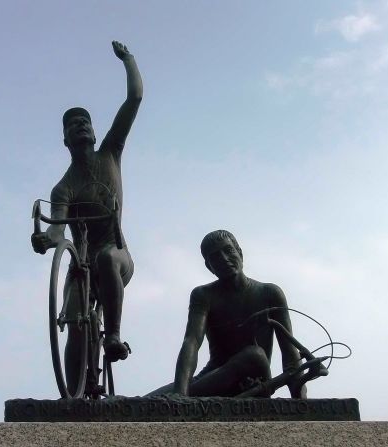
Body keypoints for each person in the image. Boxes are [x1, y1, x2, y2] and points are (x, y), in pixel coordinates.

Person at [31, 41, 142, 390]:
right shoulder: (62, 188)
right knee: (74, 318)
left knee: (108, 257)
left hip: (115, 254)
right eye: (72, 125)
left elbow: (134, 100)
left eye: (85, 123)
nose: (80, 126)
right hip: (81, 263)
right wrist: (45, 240)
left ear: (94, 133)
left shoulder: (111, 153)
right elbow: (57, 230)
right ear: (65, 139)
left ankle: (114, 336)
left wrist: (129, 60)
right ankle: (74, 395)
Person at [150, 230, 306, 398]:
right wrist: (179, 393)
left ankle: (179, 397)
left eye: (228, 251)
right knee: (144, 403)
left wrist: (300, 399)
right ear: (209, 267)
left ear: (239, 252)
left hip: (252, 380)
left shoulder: (270, 293)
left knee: (254, 354)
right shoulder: (204, 295)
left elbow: (290, 352)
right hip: (213, 378)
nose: (224, 259)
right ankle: (177, 396)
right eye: (215, 257)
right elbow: (192, 342)